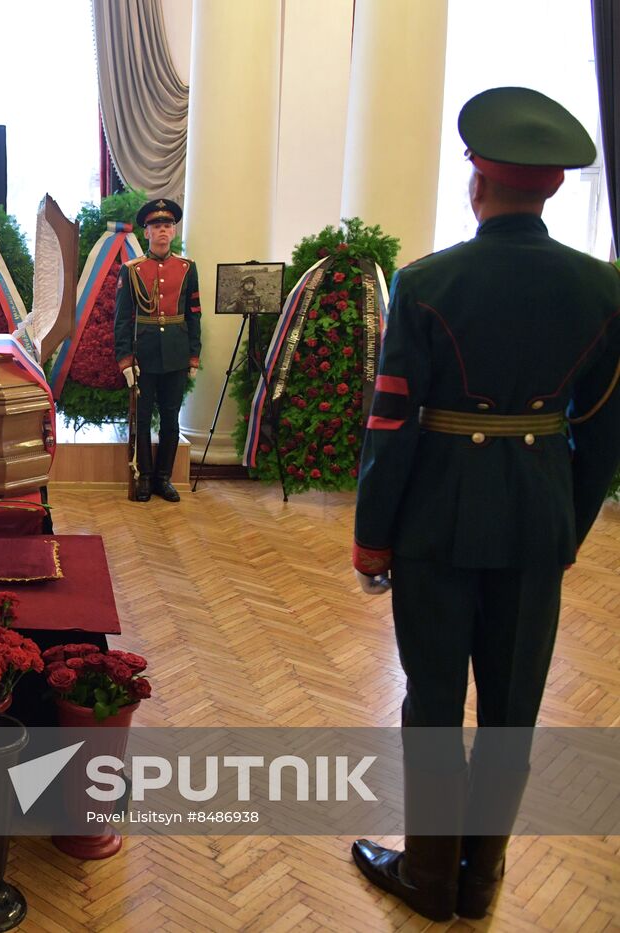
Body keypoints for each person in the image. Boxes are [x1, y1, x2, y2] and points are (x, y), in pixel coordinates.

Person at [350, 87, 620, 922]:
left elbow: (391, 422)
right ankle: (480, 880)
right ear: (553, 187)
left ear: (477, 182)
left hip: (434, 521)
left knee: (434, 703)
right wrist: (565, 528)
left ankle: (428, 877)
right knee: (512, 713)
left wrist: (372, 535)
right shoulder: (602, 288)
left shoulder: (428, 282)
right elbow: (603, 434)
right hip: (538, 521)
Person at [113, 198, 201, 503]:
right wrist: (125, 359)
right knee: (141, 419)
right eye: (156, 226)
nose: (162, 231)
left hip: (176, 353)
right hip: (144, 356)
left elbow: (194, 313)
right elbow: (122, 319)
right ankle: (145, 477)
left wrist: (193, 355)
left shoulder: (187, 268)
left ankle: (164, 478)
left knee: (170, 419)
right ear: (146, 233)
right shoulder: (132, 270)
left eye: (167, 225)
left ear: (173, 231)